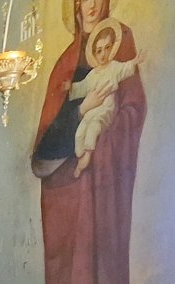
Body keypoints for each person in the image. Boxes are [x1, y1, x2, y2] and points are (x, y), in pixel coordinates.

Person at [30, 0, 144, 284]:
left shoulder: (120, 42)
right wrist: (81, 112)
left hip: (105, 180)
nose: (92, 5)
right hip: (65, 191)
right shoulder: (65, 62)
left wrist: (107, 126)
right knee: (65, 274)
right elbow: (45, 145)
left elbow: (134, 105)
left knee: (101, 263)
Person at [73, 21, 136, 177]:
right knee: (79, 132)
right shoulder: (93, 74)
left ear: (112, 48)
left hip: (106, 108)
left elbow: (125, 69)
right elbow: (81, 87)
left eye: (107, 48)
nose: (103, 54)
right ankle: (80, 157)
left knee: (93, 128)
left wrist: (136, 61)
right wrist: (70, 88)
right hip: (91, 110)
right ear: (94, 53)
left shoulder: (114, 67)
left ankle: (87, 156)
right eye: (99, 50)